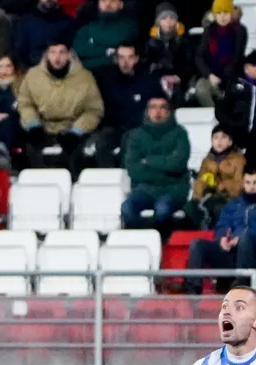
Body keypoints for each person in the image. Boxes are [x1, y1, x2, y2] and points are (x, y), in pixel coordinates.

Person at [184, 166, 256, 295]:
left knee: (246, 237)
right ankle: (192, 293)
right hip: (232, 253)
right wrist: (222, 238)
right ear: (243, 183)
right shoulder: (234, 204)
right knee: (197, 244)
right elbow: (222, 225)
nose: (251, 187)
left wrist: (242, 238)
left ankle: (240, 286)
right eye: (248, 182)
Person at [17, 40, 105, 172]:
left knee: (78, 156)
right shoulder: (33, 75)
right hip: (42, 128)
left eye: (61, 52)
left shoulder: (85, 77)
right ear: (47, 54)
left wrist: (76, 131)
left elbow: (94, 110)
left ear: (69, 55)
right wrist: (33, 124)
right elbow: (25, 103)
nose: (57, 57)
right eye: (53, 52)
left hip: (73, 130)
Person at [120, 94, 190, 228]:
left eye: (162, 107)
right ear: (147, 111)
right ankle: (140, 238)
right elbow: (133, 169)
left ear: (169, 112)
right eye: (153, 107)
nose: (157, 112)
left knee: (163, 210)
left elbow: (178, 164)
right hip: (144, 189)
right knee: (127, 208)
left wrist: (148, 161)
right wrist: (166, 165)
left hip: (173, 189)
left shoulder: (180, 134)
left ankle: (162, 239)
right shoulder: (135, 135)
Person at [91, 42, 163, 167]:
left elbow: (160, 106)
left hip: (140, 128)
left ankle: (127, 175)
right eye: (121, 57)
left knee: (128, 141)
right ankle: (109, 176)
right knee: (101, 141)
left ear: (136, 59)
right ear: (116, 59)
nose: (125, 62)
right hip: (114, 128)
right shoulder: (106, 81)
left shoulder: (148, 81)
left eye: (130, 57)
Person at [193, 0, 248, 107]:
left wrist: (222, 78)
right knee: (201, 89)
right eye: (219, 13)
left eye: (226, 12)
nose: (222, 17)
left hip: (232, 76)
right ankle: (214, 113)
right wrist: (209, 75)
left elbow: (237, 57)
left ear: (231, 13)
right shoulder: (209, 30)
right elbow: (199, 57)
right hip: (211, 75)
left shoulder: (240, 30)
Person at [184, 126, 245, 229]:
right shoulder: (207, 160)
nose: (219, 141)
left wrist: (223, 184)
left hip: (230, 198)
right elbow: (199, 183)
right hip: (210, 196)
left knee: (218, 208)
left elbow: (240, 185)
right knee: (191, 207)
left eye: (223, 137)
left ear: (230, 142)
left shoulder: (239, 160)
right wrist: (204, 183)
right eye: (216, 137)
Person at [73, 0, 137, 72]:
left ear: (121, 4)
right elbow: (79, 51)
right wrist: (108, 52)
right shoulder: (87, 28)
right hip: (87, 76)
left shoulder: (130, 27)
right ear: (98, 4)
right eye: (103, 0)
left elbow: (125, 57)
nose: (108, 4)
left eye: (113, 0)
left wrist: (93, 50)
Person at [11, 0, 72, 69]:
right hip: (31, 69)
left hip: (60, 69)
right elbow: (18, 50)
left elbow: (71, 52)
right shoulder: (25, 21)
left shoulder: (68, 22)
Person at [144, 3, 196, 103]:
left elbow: (190, 64)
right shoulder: (151, 43)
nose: (168, 21)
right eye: (164, 18)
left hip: (180, 82)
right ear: (158, 22)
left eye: (171, 18)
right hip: (158, 80)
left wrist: (178, 77)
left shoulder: (185, 41)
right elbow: (146, 65)